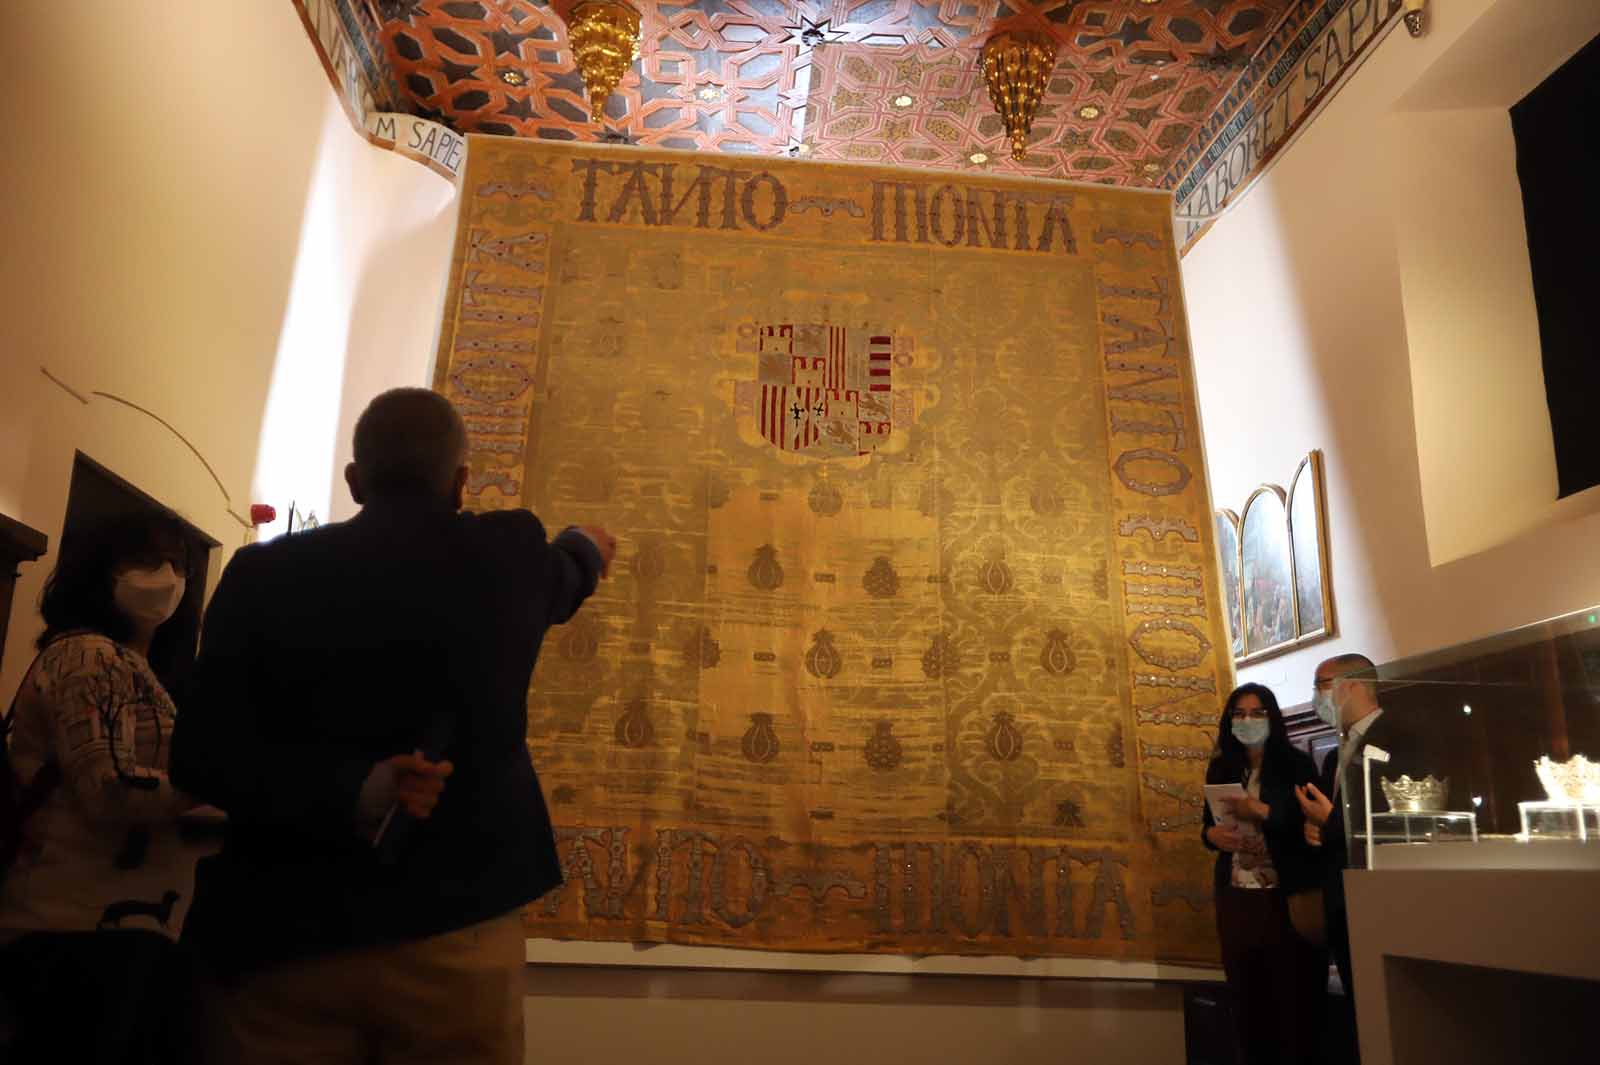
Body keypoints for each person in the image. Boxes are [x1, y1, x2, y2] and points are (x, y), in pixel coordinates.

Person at [170, 388, 616, 1065]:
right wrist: (585, 545)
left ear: (354, 481)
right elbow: (565, 573)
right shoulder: (507, 554)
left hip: (281, 936)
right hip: (455, 929)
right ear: (463, 482)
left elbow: (200, 755)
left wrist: (351, 788)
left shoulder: (261, 574)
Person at [0, 511, 209, 1063]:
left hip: (118, 929)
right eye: (146, 561)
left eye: (178, 565)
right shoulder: (89, 654)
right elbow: (109, 788)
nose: (166, 577)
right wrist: (223, 786)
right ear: (99, 570)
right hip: (76, 928)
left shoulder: (139, 666)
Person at [1295, 652, 1425, 1062]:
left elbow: (1401, 821)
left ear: (1349, 685)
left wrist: (1330, 823)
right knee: (1357, 1016)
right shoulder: (1335, 753)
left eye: (1320, 686)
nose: (1317, 697)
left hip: (1389, 898)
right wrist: (1317, 830)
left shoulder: (1402, 737)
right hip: (1342, 899)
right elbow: (1337, 822)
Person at [1201, 682, 1325, 1065]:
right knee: (1247, 1005)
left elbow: (1315, 828)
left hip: (1285, 901)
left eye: (1257, 713)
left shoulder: (1295, 764)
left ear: (1271, 717)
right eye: (1239, 714)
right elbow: (1207, 825)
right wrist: (1211, 834)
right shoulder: (1222, 766)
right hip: (1237, 900)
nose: (1247, 721)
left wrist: (1263, 811)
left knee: (1293, 1009)